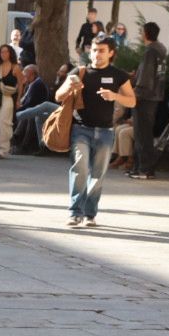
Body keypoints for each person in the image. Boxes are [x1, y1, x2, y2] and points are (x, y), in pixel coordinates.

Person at [59, 34, 135, 226]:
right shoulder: (80, 71)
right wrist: (68, 85)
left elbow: (132, 100)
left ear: (111, 53)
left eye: (101, 51)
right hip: (81, 129)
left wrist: (114, 96)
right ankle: (75, 211)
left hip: (105, 132)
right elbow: (58, 96)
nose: (97, 54)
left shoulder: (118, 75)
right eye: (94, 50)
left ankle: (90, 213)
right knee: (80, 168)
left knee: (98, 174)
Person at [129, 21, 167, 179]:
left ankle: (144, 169)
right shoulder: (161, 48)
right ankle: (139, 167)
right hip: (156, 95)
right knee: (145, 133)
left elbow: (145, 77)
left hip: (144, 96)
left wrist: (135, 92)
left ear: (145, 33)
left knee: (141, 133)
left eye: (141, 32)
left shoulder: (150, 51)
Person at [0, 43, 22, 158]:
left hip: (8, 98)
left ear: (10, 53)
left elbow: (21, 84)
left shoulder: (15, 67)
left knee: (4, 122)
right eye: (2, 52)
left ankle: (3, 150)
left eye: (6, 52)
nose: (3, 54)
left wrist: (18, 100)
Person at [11, 65, 55, 154]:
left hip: (39, 110)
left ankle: (22, 143)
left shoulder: (38, 84)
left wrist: (19, 110)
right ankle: (17, 139)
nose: (23, 75)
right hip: (33, 109)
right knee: (28, 115)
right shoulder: (30, 84)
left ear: (31, 74)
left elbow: (32, 103)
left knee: (29, 116)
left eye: (25, 73)